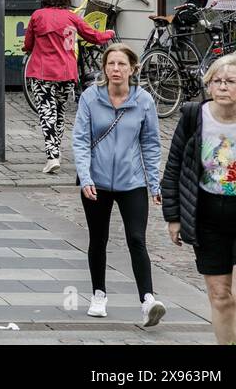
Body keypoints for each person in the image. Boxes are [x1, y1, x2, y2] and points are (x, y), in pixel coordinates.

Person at [163, 53, 236, 344]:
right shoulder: (192, 116)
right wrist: (173, 217)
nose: (222, 87)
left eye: (231, 81)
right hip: (208, 219)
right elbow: (175, 166)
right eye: (216, 81)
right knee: (221, 296)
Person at [70, 43, 166, 326]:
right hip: (96, 181)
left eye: (121, 64)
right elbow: (80, 140)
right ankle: (98, 294)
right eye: (111, 64)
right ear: (104, 68)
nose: (115, 69)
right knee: (98, 238)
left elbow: (150, 144)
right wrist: (85, 177)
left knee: (137, 238)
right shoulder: (90, 97)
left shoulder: (144, 101)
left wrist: (154, 183)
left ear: (132, 69)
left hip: (132, 181)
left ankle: (148, 300)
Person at [24, 0, 117, 173]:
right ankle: (55, 151)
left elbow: (28, 43)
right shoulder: (72, 17)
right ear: (65, 1)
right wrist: (109, 33)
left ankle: (52, 156)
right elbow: (94, 37)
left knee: (46, 112)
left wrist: (28, 49)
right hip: (66, 72)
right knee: (59, 111)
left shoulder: (38, 15)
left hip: (42, 71)